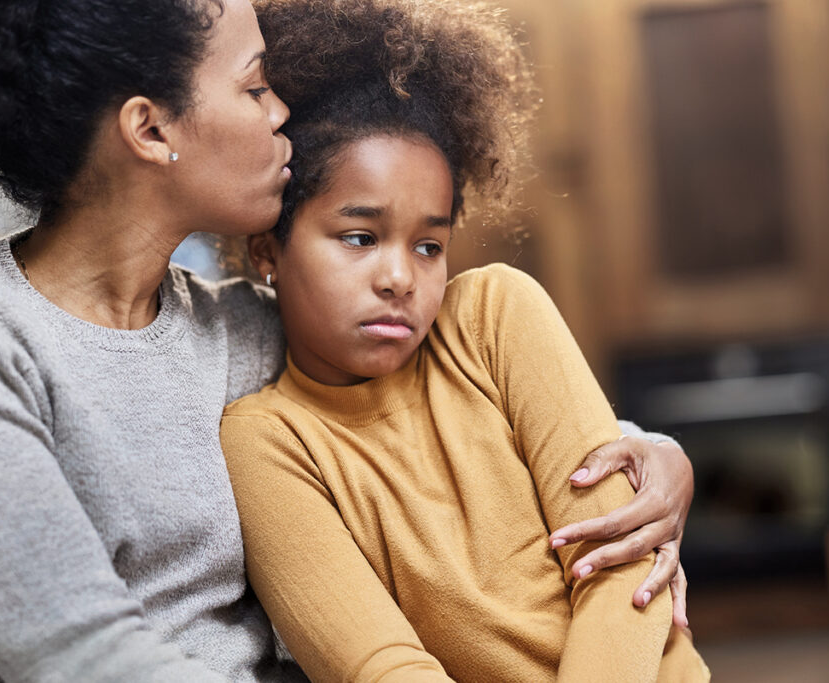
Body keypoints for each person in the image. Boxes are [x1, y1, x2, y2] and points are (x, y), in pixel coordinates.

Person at [0, 0, 693, 679]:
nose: (281, 115)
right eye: (255, 86)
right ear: (150, 129)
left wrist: (655, 459)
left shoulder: (241, 326)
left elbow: (444, 396)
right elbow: (82, 658)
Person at [220, 0, 709, 680]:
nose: (400, 277)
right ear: (267, 248)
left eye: (429, 244)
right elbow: (381, 667)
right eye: (359, 237)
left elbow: (618, 564)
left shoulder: (495, 314)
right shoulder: (268, 440)